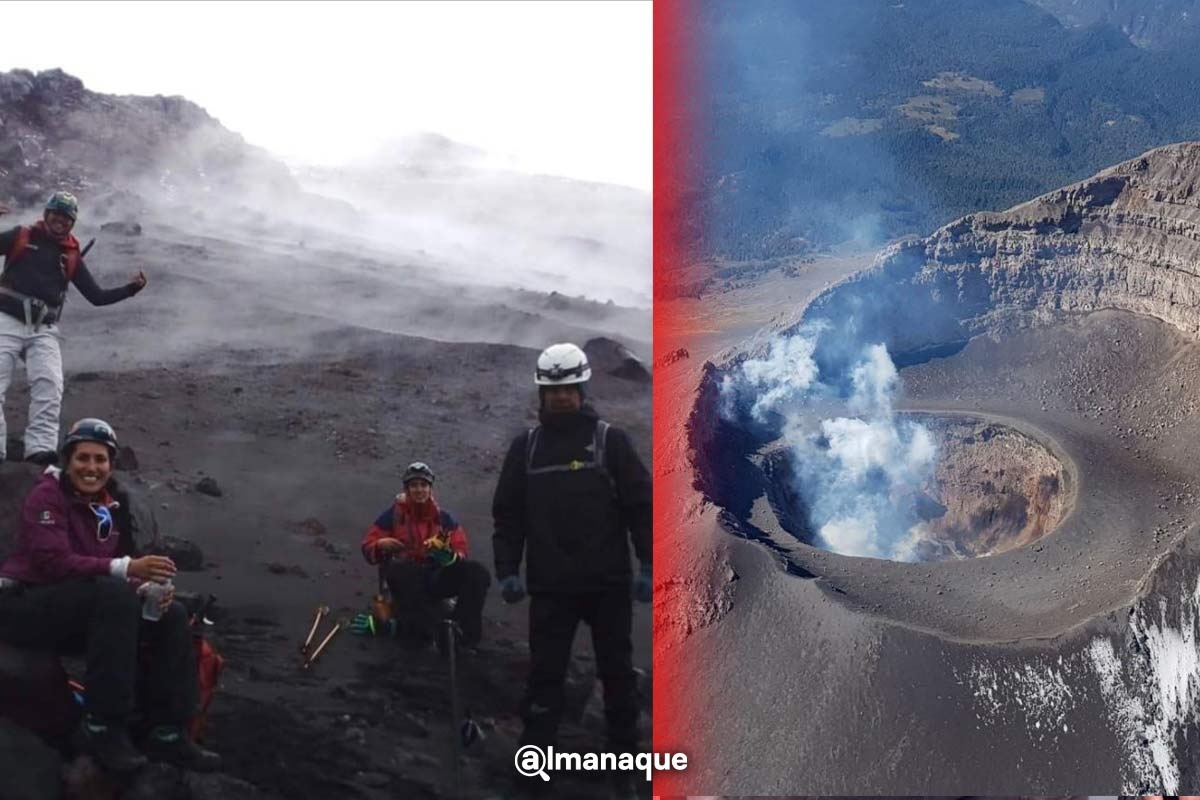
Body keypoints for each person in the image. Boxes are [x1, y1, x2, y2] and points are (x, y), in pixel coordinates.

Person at [0, 418, 219, 773]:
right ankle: (102, 726)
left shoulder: (113, 505)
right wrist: (128, 571)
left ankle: (167, 732)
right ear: (67, 461)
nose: (91, 467)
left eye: (100, 459)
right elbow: (53, 563)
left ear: (111, 464)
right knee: (115, 595)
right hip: (26, 603)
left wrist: (146, 589)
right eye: (82, 458)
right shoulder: (47, 496)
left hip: (84, 605)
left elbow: (111, 566)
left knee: (173, 615)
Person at [492, 342, 653, 795]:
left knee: (618, 677)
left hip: (608, 586)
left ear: (582, 389)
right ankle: (533, 771)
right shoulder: (526, 449)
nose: (561, 397)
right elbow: (508, 514)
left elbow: (641, 507)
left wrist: (648, 564)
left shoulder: (610, 442)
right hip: (550, 588)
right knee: (545, 678)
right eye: (552, 390)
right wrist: (508, 568)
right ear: (542, 393)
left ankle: (624, 774)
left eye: (569, 389)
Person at [0, 193, 147, 466]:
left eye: (67, 216)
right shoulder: (21, 235)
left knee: (50, 386)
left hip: (43, 328)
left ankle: (40, 450)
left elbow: (96, 296)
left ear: (73, 221)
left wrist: (131, 290)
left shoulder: (70, 255)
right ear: (47, 214)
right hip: (6, 319)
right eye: (56, 213)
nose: (61, 220)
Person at [361, 461, 491, 650]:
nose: (419, 490)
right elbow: (367, 547)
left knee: (477, 572)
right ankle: (428, 631)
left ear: (431, 488)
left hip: (436, 577)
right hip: (405, 581)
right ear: (406, 489)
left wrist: (449, 557)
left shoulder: (445, 519)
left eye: (424, 485)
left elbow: (461, 551)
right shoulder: (393, 516)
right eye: (414, 485)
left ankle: (463, 633)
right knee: (401, 570)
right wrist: (381, 545)